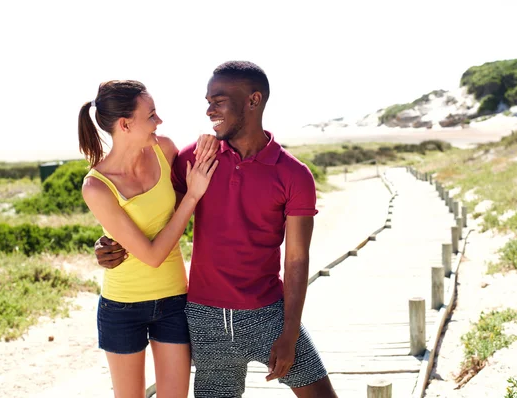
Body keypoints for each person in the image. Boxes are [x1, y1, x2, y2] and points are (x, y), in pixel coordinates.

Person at [96, 62, 338, 398]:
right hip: (203, 318)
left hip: (267, 312)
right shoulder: (194, 158)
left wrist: (290, 332)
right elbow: (157, 215)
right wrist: (110, 243)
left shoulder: (294, 174)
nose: (209, 110)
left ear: (253, 101)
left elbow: (297, 258)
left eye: (218, 100)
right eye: (208, 100)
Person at [79, 80, 218, 398]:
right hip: (122, 307)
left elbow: (182, 206)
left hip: (173, 301)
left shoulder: (164, 150)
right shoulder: (97, 187)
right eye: (152, 115)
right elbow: (153, 254)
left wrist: (212, 142)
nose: (160, 121)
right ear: (125, 124)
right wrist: (193, 195)